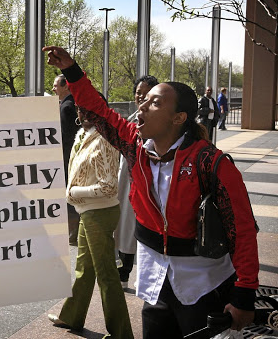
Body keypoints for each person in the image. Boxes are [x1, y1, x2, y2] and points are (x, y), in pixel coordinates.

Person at [43, 45, 259, 338]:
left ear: (179, 118)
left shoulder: (212, 162)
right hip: (154, 282)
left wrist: (244, 294)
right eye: (143, 100)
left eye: (154, 102)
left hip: (203, 287)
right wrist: (71, 70)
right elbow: (97, 109)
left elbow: (242, 229)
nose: (141, 106)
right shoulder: (134, 146)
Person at [47, 93, 133, 338]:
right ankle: (71, 316)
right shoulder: (83, 134)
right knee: (84, 268)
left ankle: (121, 333)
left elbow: (109, 186)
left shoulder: (105, 138)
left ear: (101, 110)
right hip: (89, 211)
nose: (82, 114)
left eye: (87, 110)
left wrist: (73, 191)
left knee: (106, 273)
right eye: (79, 109)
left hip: (100, 211)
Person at [114, 75, 159, 290]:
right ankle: (123, 274)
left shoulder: (160, 125)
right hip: (126, 182)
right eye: (138, 93)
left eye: (146, 94)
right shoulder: (130, 120)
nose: (140, 97)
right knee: (124, 228)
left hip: (147, 186)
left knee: (141, 231)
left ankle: (148, 280)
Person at [53, 74, 81, 245]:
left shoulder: (66, 107)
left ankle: (73, 231)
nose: (53, 88)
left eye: (56, 85)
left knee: (69, 193)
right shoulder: (70, 104)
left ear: (66, 87)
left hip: (67, 158)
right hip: (72, 157)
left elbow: (65, 137)